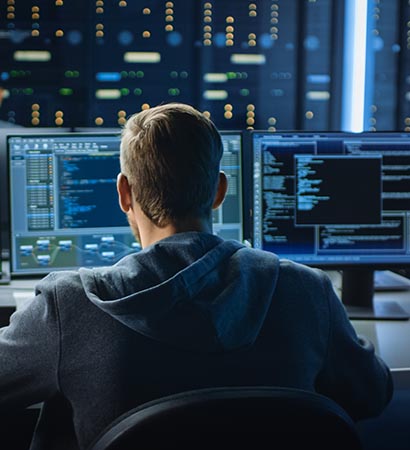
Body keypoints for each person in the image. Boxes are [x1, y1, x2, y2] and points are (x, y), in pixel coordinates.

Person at [0, 103, 392, 449]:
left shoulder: (67, 307)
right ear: (219, 191)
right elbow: (373, 393)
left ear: (124, 194)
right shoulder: (307, 291)